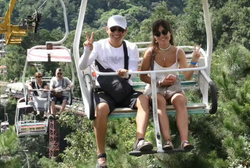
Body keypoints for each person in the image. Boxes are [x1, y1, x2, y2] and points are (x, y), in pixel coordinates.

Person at [78, 15, 152, 168]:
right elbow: (82, 66)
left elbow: (132, 71)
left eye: (120, 30)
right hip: (105, 91)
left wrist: (126, 73)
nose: (116, 32)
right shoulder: (98, 46)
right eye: (113, 29)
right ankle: (101, 156)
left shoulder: (131, 47)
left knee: (143, 100)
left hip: (124, 89)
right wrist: (87, 50)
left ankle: (139, 140)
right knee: (101, 109)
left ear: (125, 31)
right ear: (107, 30)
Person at [140, 19, 200, 151]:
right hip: (156, 86)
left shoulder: (179, 52)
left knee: (180, 100)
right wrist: (159, 82)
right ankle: (168, 141)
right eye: (158, 33)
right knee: (159, 101)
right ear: (155, 37)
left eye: (164, 32)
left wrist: (194, 61)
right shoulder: (150, 53)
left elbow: (187, 75)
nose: (162, 36)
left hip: (174, 86)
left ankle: (185, 140)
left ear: (170, 33)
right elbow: (143, 75)